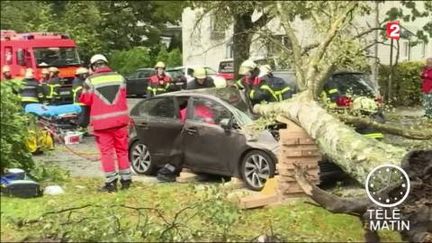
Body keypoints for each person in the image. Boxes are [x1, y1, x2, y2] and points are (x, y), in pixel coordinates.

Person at [79, 54, 132, 192]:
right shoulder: (120, 78)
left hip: (102, 124)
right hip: (120, 122)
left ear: (93, 66)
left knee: (107, 153)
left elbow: (85, 100)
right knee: (122, 151)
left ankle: (111, 183)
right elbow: (123, 95)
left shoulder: (90, 81)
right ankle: (126, 180)